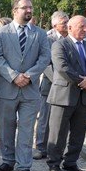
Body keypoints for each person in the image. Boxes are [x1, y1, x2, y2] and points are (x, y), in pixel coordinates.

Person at [0, 0, 51, 171]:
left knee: (26, 130)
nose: (29, 10)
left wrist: (28, 76)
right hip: (7, 88)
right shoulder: (1, 33)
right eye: (25, 7)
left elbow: (44, 58)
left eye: (30, 7)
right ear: (15, 10)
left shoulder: (40, 34)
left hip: (30, 90)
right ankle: (7, 161)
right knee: (6, 127)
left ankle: (23, 166)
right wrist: (14, 76)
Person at [46, 16, 86, 171]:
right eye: (81, 26)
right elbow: (62, 67)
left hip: (84, 97)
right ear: (70, 28)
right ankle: (54, 162)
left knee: (78, 133)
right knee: (58, 133)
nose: (85, 30)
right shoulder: (59, 45)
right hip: (64, 95)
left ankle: (70, 162)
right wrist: (83, 81)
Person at [33, 11, 68, 160]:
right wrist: (59, 81)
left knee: (61, 121)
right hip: (50, 86)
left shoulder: (70, 39)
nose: (67, 25)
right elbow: (45, 64)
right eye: (63, 23)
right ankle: (41, 147)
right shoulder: (48, 40)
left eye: (67, 22)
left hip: (67, 88)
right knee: (45, 119)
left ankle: (56, 149)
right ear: (54, 25)